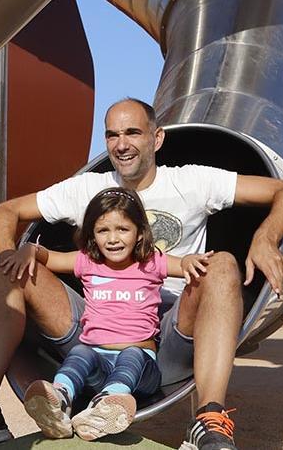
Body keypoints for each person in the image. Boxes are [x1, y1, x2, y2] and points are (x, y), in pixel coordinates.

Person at [0, 98, 283, 450]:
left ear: (156, 138)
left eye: (132, 133)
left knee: (222, 262)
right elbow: (6, 212)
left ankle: (208, 417)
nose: (121, 144)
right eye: (112, 134)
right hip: (96, 321)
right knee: (9, 268)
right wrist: (12, 253)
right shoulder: (88, 188)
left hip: (168, 331)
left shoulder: (192, 180)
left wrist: (265, 236)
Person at [15, 187, 213, 441]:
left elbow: (181, 264)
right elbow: (50, 258)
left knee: (132, 354)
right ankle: (59, 399)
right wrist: (30, 249)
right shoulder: (87, 261)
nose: (113, 239)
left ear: (140, 232)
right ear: (92, 235)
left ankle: (108, 404)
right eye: (102, 230)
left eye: (123, 229)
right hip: (97, 364)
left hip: (142, 369)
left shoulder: (151, 261)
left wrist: (187, 262)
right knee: (80, 352)